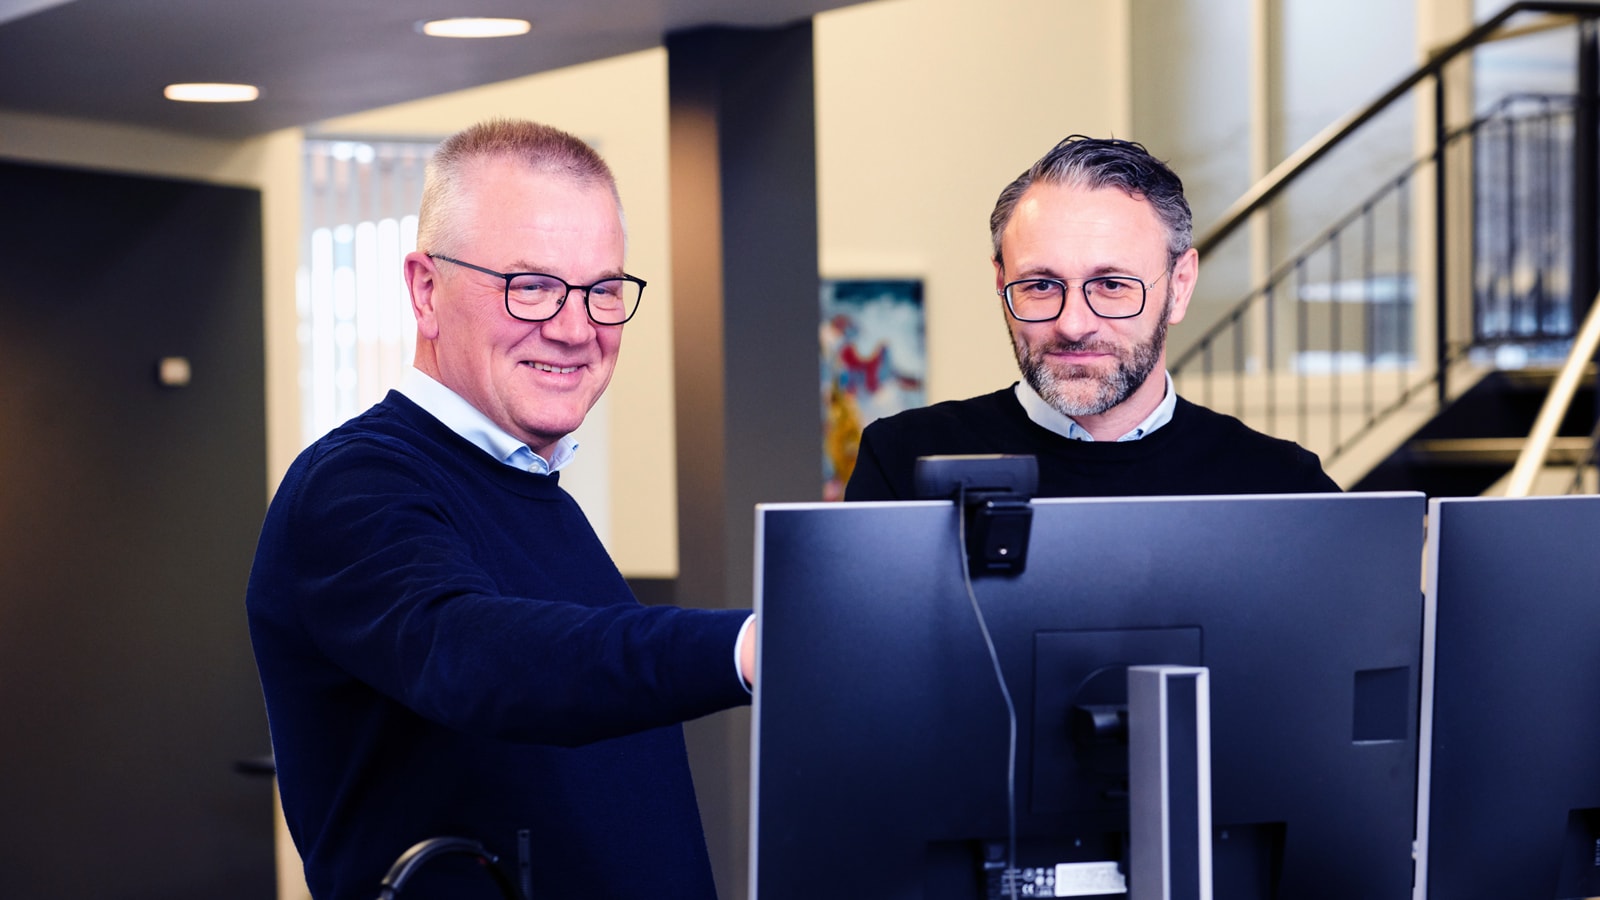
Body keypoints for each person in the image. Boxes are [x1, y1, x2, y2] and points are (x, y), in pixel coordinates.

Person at [247, 119, 755, 900]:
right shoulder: (354, 485)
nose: (576, 329)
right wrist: (746, 646)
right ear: (425, 290)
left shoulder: (533, 489)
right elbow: (474, 656)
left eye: (602, 291)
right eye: (532, 286)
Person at [844, 135, 1339, 500]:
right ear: (1001, 282)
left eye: (1112, 285)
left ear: (1180, 286)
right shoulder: (903, 461)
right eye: (1041, 286)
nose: (1074, 325)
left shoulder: (1283, 485)